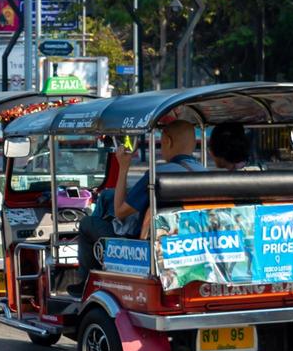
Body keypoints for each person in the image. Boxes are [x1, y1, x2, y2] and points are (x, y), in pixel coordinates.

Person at [73, 121, 206, 291]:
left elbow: (121, 211)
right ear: (194, 143)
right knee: (108, 197)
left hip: (143, 246)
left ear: (167, 142)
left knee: (88, 223)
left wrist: (123, 168)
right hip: (188, 239)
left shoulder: (157, 175)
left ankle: (85, 285)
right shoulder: (203, 171)